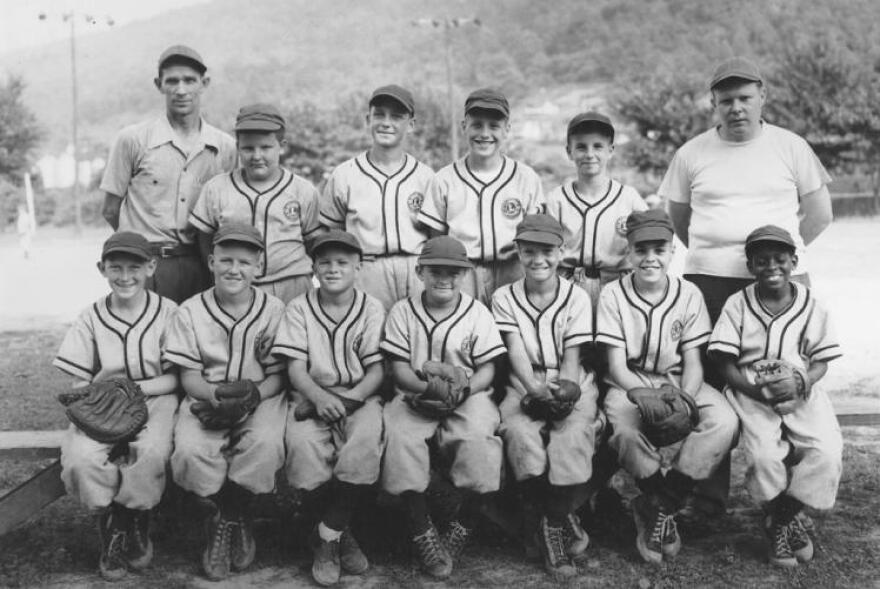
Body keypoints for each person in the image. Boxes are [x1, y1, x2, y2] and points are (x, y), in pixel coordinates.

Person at [595, 210, 738, 564]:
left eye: (659, 249)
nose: (650, 258)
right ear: (628, 252)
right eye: (641, 249)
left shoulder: (688, 293)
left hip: (678, 380)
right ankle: (653, 495)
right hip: (631, 382)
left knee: (724, 421)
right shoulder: (613, 294)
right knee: (624, 434)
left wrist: (685, 400)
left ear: (672, 251)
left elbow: (693, 361)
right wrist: (645, 395)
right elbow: (616, 366)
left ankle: (661, 503)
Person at [659, 56, 833, 322]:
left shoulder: (792, 147)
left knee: (784, 360)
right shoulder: (689, 153)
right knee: (713, 361)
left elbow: (821, 215)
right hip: (708, 280)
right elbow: (678, 218)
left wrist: (778, 252)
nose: (736, 108)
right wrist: (712, 249)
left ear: (762, 96)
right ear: (713, 103)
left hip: (780, 278)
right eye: (726, 101)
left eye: (745, 98)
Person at [708, 225, 842, 568]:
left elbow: (822, 359)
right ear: (751, 266)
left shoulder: (811, 302)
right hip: (750, 390)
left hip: (800, 387)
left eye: (780, 259)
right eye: (762, 260)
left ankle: (781, 519)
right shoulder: (738, 303)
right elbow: (724, 362)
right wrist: (756, 390)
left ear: (793, 261)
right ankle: (779, 518)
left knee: (826, 452)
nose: (772, 266)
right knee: (765, 455)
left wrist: (801, 382)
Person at [53, 231, 179, 581]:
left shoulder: (168, 311)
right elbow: (79, 379)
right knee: (80, 457)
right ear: (102, 269)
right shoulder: (91, 316)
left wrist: (130, 389)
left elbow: (175, 379)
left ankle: (133, 519)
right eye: (116, 267)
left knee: (153, 449)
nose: (125, 276)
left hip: (156, 397)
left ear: (151, 267)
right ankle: (110, 520)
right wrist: (102, 397)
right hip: (104, 403)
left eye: (135, 267)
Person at [165, 222, 287, 581]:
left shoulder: (274, 308)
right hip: (207, 395)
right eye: (226, 260)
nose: (235, 269)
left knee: (263, 444)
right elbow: (188, 377)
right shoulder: (189, 310)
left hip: (261, 394)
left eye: (245, 262)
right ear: (211, 261)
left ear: (258, 266)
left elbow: (280, 374)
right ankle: (220, 514)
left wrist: (252, 398)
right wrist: (216, 398)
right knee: (189, 450)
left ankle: (236, 514)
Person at [380, 236, 506, 579]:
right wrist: (427, 387)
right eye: (436, 270)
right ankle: (421, 528)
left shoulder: (476, 311)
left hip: (469, 393)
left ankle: (462, 524)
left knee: (479, 439)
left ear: (464, 275)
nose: (444, 278)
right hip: (414, 393)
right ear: (420, 271)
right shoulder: (403, 311)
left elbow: (488, 369)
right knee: (399, 435)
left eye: (453, 272)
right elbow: (399, 368)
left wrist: (464, 391)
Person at [271, 230, 386, 586]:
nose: (333, 269)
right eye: (324, 262)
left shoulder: (371, 306)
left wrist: (350, 400)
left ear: (358, 266)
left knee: (365, 441)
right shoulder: (299, 307)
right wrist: (320, 399)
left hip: (359, 394)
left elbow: (377, 370)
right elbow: (295, 370)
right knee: (304, 447)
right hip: (311, 395)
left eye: (342, 262)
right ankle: (338, 532)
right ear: (314, 267)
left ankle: (327, 532)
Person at [491, 214, 598, 579]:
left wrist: (565, 393)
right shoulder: (504, 296)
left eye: (548, 251)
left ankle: (550, 524)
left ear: (561, 252)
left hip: (570, 376)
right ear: (518, 252)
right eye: (530, 251)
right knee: (520, 434)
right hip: (525, 378)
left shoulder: (577, 296)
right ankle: (555, 515)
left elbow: (572, 358)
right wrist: (534, 388)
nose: (539, 259)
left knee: (572, 432)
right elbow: (515, 351)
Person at [100, 45, 236, 303]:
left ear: (204, 83)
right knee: (146, 339)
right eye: (172, 81)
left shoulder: (225, 147)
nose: (181, 90)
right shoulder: (133, 140)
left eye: (189, 80)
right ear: (159, 85)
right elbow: (110, 209)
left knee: (197, 340)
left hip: (200, 264)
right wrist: (138, 245)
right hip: (147, 264)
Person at [417, 88, 545, 305]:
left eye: (494, 126)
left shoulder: (525, 178)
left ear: (507, 130)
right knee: (464, 332)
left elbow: (535, 238)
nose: (485, 134)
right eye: (477, 125)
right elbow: (437, 240)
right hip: (462, 271)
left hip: (512, 269)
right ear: (464, 126)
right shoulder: (444, 179)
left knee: (511, 333)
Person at [190, 103, 321, 304]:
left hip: (292, 285)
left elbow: (314, 242)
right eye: (248, 148)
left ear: (282, 147)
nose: (257, 156)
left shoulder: (303, 190)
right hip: (238, 286)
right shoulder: (216, 188)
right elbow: (204, 239)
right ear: (238, 147)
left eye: (266, 147)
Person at [320, 85, 434, 310]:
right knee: (368, 339)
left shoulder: (425, 176)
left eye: (397, 117)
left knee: (418, 337)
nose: (386, 122)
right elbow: (329, 235)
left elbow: (436, 236)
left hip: (416, 269)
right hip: (366, 268)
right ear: (367, 120)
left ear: (411, 125)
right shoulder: (345, 174)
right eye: (379, 114)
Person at [545, 112, 647, 306]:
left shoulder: (629, 198)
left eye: (598, 146)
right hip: (568, 285)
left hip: (618, 285)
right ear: (569, 152)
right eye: (581, 147)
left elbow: (650, 242)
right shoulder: (556, 199)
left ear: (611, 150)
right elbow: (545, 252)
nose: (590, 154)